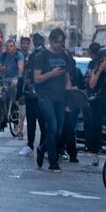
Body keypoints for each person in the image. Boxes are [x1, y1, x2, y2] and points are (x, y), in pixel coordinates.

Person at [32, 28, 74, 172]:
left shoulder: (65, 55)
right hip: (46, 96)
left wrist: (69, 97)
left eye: (61, 42)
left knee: (58, 130)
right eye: (56, 42)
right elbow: (37, 78)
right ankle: (53, 161)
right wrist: (51, 73)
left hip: (60, 97)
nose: (59, 45)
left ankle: (42, 148)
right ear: (50, 40)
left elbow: (67, 78)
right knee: (53, 126)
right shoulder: (42, 56)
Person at [19, 32, 47, 157]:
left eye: (38, 39)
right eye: (34, 39)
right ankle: (30, 144)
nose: (36, 41)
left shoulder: (46, 55)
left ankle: (42, 145)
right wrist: (24, 91)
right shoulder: (31, 56)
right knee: (31, 121)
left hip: (41, 94)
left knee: (42, 122)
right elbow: (27, 74)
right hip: (31, 93)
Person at [0, 38, 24, 132]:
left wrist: (17, 79)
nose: (9, 48)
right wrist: (2, 69)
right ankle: (3, 118)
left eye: (11, 46)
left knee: (13, 91)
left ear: (14, 47)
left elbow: (20, 68)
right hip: (4, 80)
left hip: (14, 79)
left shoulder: (18, 55)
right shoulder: (2, 56)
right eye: (7, 46)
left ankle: (14, 110)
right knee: (2, 96)